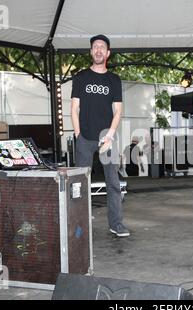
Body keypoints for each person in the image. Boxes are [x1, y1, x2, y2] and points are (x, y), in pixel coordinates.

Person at [71, 34, 130, 237]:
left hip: (107, 138)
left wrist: (111, 134)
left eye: (102, 47)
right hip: (85, 139)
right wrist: (79, 135)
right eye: (95, 47)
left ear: (108, 53)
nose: (98, 50)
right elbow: (74, 108)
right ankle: (79, 226)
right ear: (91, 52)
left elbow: (118, 111)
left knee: (113, 183)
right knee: (79, 184)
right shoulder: (80, 77)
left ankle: (116, 224)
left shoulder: (114, 80)